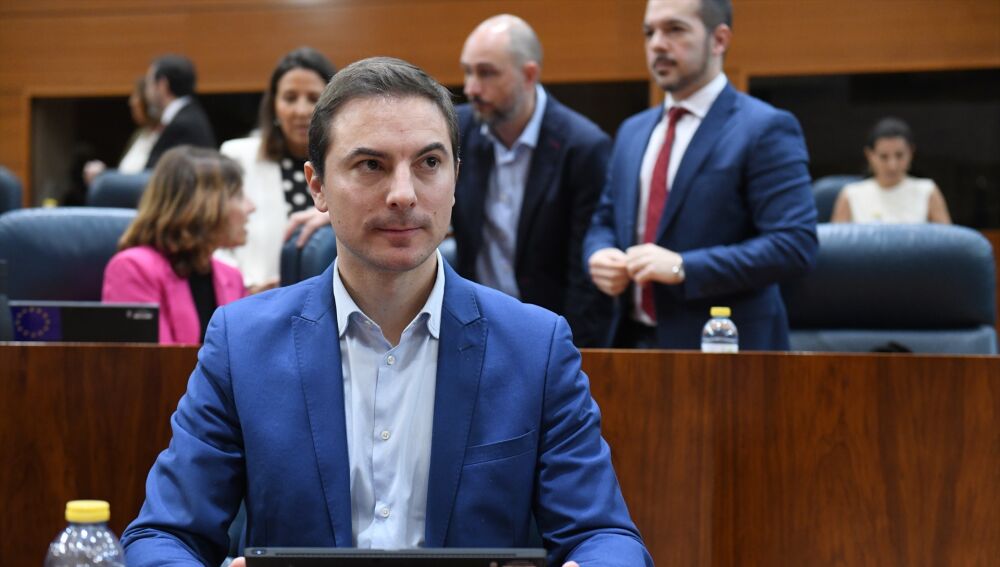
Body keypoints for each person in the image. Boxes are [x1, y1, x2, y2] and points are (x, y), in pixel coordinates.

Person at [121, 57, 651, 567]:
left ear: (455, 178)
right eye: (371, 165)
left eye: (429, 163)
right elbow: (164, 534)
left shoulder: (536, 346)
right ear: (317, 186)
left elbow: (604, 536)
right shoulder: (242, 343)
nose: (403, 194)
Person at [583, 0, 818, 350]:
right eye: (649, 32)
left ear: (719, 39)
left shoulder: (764, 128)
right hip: (631, 343)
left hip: (725, 348)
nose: (657, 44)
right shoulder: (632, 131)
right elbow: (604, 219)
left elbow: (794, 245)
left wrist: (685, 267)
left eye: (674, 29)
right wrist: (599, 253)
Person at [453, 15, 612, 346]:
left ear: (529, 75)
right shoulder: (456, 132)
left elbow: (584, 278)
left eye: (486, 73)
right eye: (468, 71)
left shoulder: (582, 146)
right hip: (472, 328)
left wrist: (568, 351)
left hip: (548, 333)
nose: (471, 88)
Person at [102, 146, 252, 344]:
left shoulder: (231, 276)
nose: (251, 207)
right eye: (238, 195)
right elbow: (151, 361)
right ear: (202, 205)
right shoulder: (133, 268)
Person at [218, 47, 337, 292]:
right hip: (252, 296)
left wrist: (335, 215)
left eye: (313, 98)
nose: (301, 110)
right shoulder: (237, 156)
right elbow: (212, 239)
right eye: (290, 98)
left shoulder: (350, 164)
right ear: (273, 106)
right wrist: (243, 287)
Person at [831, 117, 952, 224]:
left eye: (899, 155)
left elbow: (947, 240)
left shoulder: (928, 192)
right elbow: (837, 241)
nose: (892, 166)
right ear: (869, 155)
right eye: (883, 157)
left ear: (911, 153)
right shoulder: (851, 195)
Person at [83, 76, 163, 185]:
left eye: (136, 96)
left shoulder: (166, 136)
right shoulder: (139, 134)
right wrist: (104, 176)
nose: (131, 102)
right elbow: (125, 174)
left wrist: (106, 178)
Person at [144, 54, 216, 168]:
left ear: (162, 85)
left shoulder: (183, 124)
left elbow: (156, 170)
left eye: (149, 82)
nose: (146, 90)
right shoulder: (189, 114)